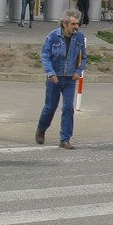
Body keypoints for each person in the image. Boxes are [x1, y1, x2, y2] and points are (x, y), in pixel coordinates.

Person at [35, 10, 87, 150]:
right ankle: (41, 129)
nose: (76, 27)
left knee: (68, 107)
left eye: (78, 24)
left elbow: (84, 57)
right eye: (73, 24)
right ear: (64, 24)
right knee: (50, 107)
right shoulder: (53, 36)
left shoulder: (80, 38)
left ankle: (65, 139)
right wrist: (51, 73)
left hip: (70, 78)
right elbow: (45, 55)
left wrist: (78, 71)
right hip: (55, 78)